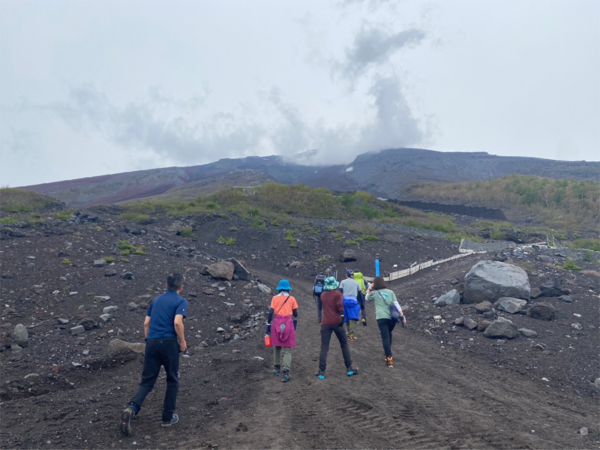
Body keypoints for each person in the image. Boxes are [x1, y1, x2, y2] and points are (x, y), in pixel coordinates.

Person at [120, 273, 188, 436]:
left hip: (151, 342)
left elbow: (146, 323)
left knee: (147, 381)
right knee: (172, 379)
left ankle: (132, 408)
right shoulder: (180, 301)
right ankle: (167, 417)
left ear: (166, 285)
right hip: (169, 342)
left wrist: (148, 339)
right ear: (181, 287)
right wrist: (183, 342)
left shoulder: (155, 301)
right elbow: (177, 322)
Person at [316, 277, 358, 379]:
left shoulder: (322, 295)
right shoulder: (338, 294)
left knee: (324, 347)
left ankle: (321, 371)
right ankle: (349, 368)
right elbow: (340, 307)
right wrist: (342, 318)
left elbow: (321, 308)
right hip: (337, 322)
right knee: (344, 344)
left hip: (325, 323)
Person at [366, 276, 406, 368]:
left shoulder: (375, 293)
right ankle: (387, 354)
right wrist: (402, 315)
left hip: (381, 318)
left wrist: (370, 288)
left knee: (385, 337)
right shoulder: (390, 292)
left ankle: (389, 358)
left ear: (375, 284)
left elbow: (367, 298)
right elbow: (396, 304)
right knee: (389, 334)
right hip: (392, 318)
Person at [266, 279, 298, 382]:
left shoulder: (274, 298)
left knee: (277, 347)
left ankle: (276, 369)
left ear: (279, 288)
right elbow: (296, 314)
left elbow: (270, 313)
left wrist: (268, 325)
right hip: (288, 323)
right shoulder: (292, 299)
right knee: (288, 349)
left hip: (277, 323)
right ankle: (286, 373)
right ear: (288, 289)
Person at [339, 269, 361, 341]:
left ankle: (348, 331)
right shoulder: (356, 283)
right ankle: (351, 334)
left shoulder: (343, 282)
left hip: (345, 301)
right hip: (354, 301)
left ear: (346, 275)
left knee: (347, 316)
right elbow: (360, 293)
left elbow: (340, 292)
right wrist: (362, 303)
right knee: (353, 317)